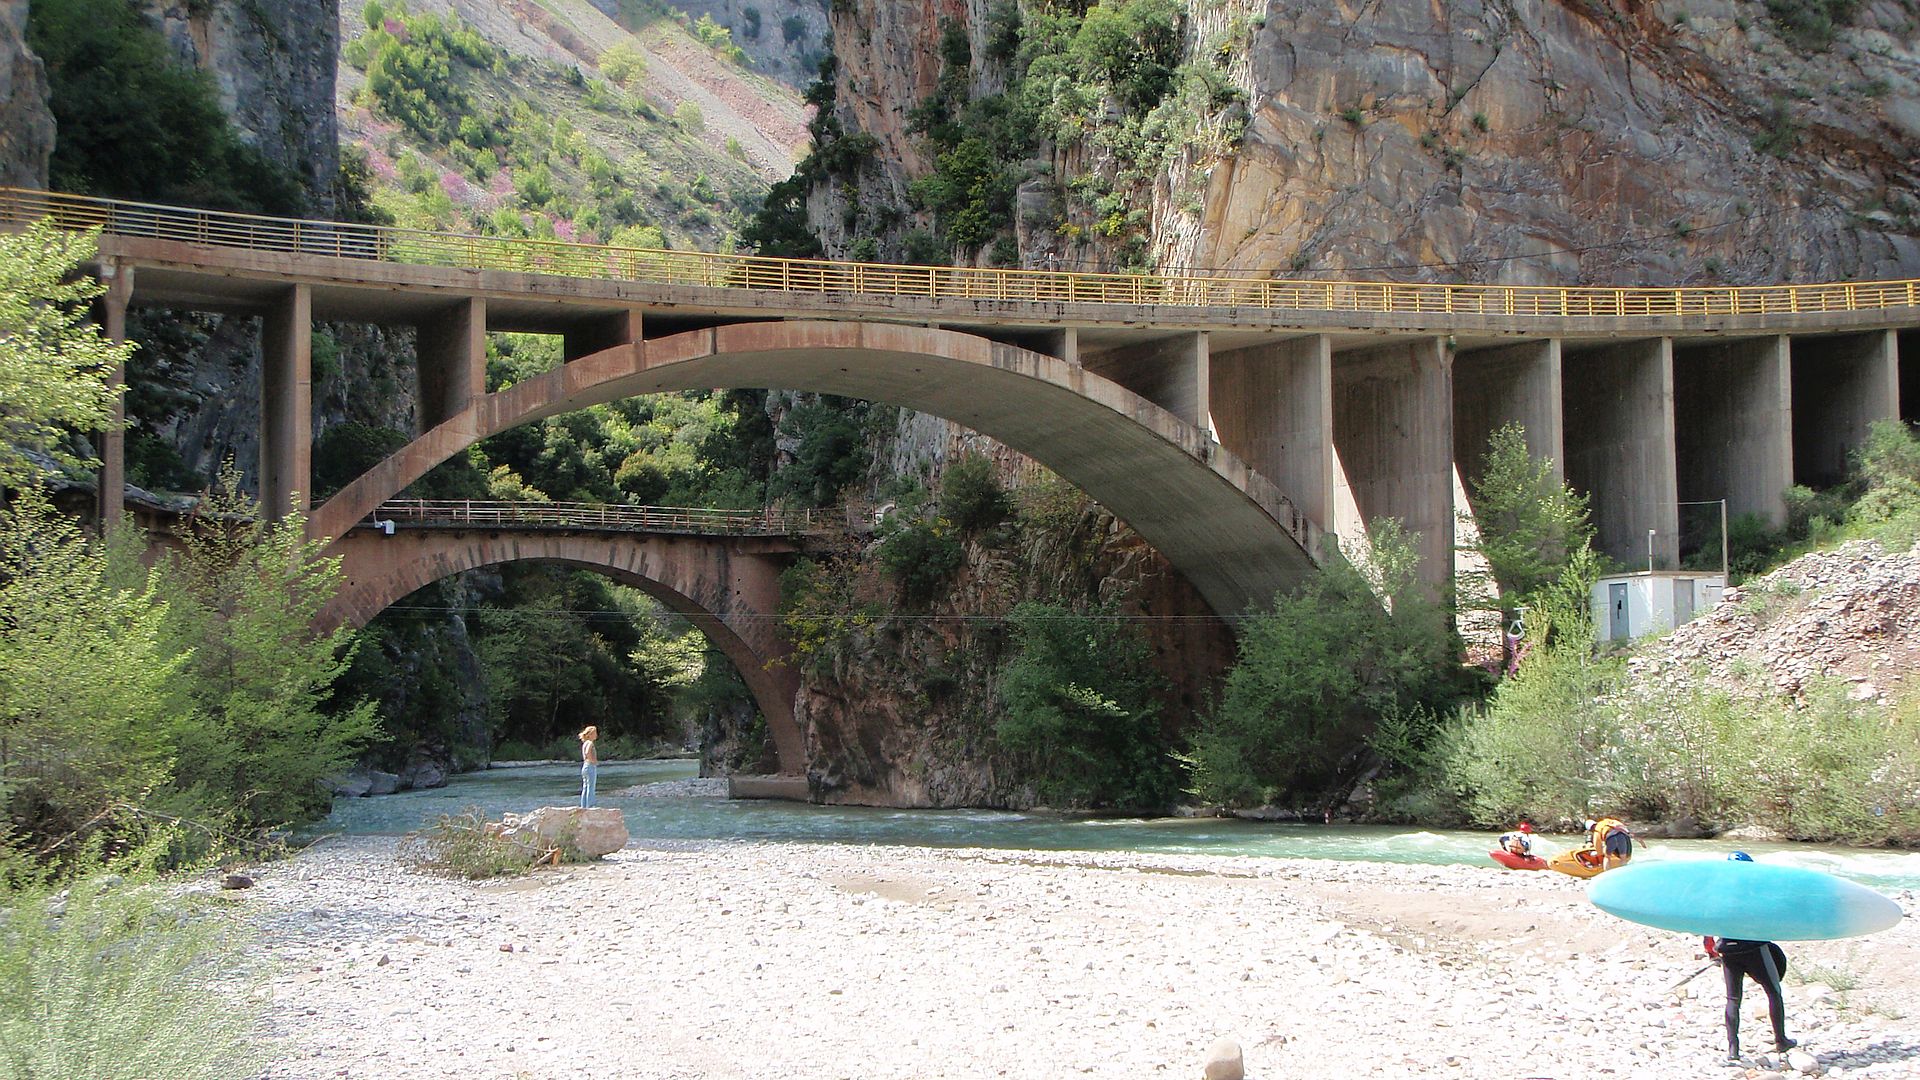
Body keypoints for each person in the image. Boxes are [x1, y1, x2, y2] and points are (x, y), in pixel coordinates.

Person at [1705, 852, 1795, 1060]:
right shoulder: (1757, 890)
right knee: (1773, 991)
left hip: (1728, 949)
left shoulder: (1717, 893)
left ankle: (1733, 1049)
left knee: (1733, 999)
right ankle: (1781, 1040)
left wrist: (1711, 950)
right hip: (1754, 948)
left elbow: (1707, 924)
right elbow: (1771, 916)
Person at [579, 725, 599, 808]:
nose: (596, 735)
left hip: (585, 766)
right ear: (589, 734)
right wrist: (593, 761)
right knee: (591, 787)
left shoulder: (585, 743)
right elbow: (587, 753)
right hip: (590, 766)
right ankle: (590, 806)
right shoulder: (590, 743)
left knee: (585, 787)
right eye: (594, 733)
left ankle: (583, 806)